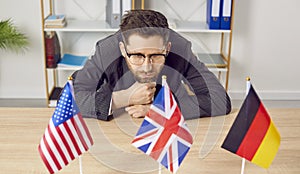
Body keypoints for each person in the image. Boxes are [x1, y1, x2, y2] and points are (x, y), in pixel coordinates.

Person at [72, 9, 231, 121]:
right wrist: (123, 98)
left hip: (169, 126)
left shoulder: (180, 48)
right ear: (123, 49)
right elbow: (71, 100)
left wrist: (162, 109)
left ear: (167, 48)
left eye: (156, 55)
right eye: (137, 56)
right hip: (118, 119)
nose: (147, 67)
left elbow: (220, 100)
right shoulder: (106, 51)